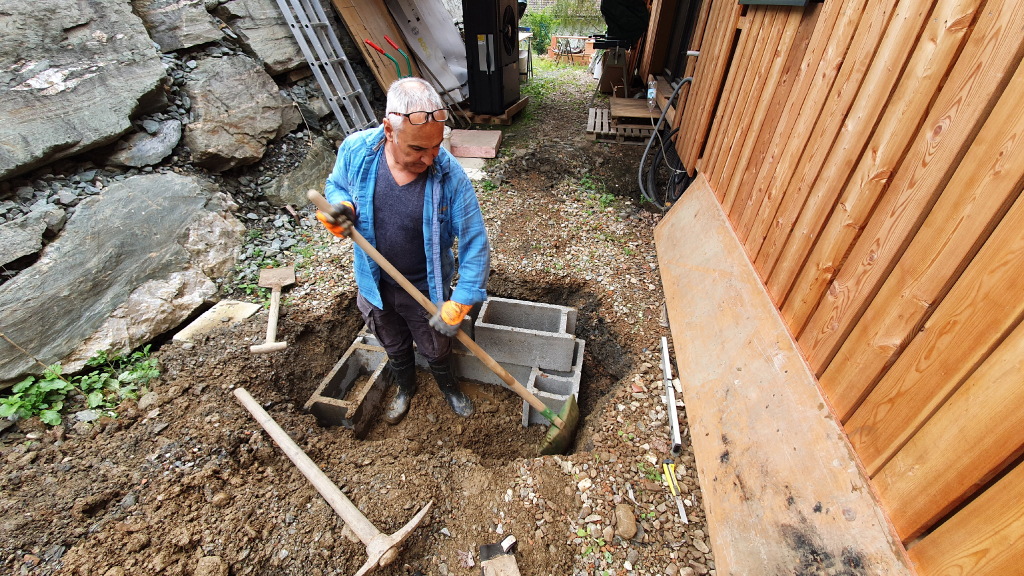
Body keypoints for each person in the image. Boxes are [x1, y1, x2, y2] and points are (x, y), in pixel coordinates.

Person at [318, 77, 490, 425]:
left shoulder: (448, 175)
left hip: (425, 287)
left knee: (436, 345)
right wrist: (338, 210)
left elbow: (475, 242)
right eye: (417, 149)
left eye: (436, 146)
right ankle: (405, 387)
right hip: (375, 283)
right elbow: (335, 186)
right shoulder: (356, 152)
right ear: (388, 130)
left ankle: (449, 387)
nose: (429, 159)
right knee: (392, 343)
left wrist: (461, 300)